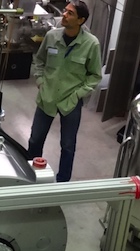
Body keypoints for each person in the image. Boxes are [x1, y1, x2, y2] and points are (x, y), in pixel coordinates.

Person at [28, 1, 102, 183]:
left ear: (81, 20)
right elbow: (39, 61)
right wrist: (40, 82)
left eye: (70, 13)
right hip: (47, 97)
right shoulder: (52, 36)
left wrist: (78, 95)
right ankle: (30, 177)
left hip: (71, 101)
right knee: (35, 140)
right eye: (65, 11)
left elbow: (94, 75)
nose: (64, 15)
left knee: (68, 146)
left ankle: (62, 184)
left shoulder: (91, 44)